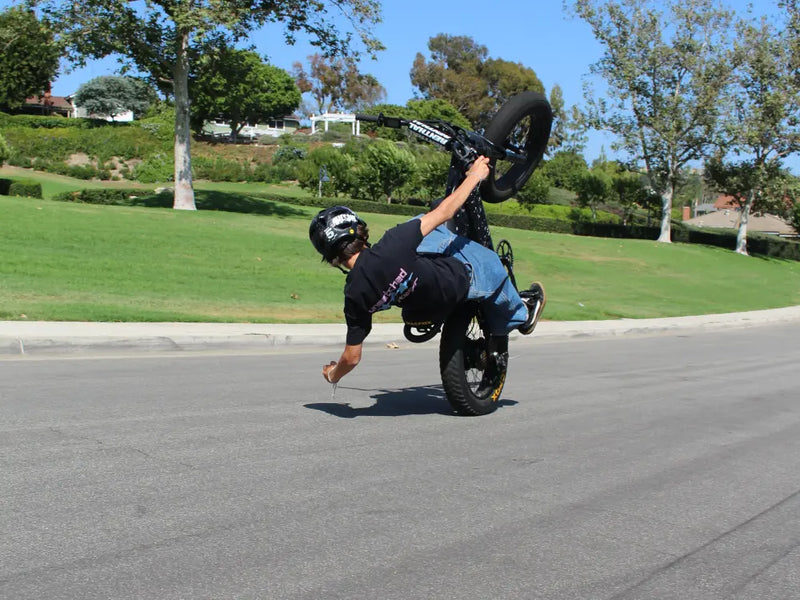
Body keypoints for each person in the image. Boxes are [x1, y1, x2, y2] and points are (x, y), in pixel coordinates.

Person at [309, 156, 545, 384]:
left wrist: (333, 375)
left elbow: (352, 357)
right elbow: (445, 213)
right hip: (463, 279)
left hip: (423, 308)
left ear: (331, 258)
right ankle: (523, 314)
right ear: (358, 229)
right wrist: (474, 176)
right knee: (490, 263)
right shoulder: (393, 243)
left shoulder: (353, 295)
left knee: (425, 227)